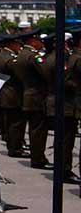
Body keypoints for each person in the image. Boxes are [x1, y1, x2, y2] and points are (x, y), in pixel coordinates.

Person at [41, 31, 80, 183]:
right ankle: (64, 170)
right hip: (63, 103)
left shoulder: (50, 58)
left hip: (56, 101)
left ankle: (62, 168)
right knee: (65, 140)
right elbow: (64, 81)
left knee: (62, 139)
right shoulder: (59, 60)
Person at [12, 25, 51, 168]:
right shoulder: (33, 56)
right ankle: (38, 159)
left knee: (34, 129)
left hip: (28, 93)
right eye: (38, 40)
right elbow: (45, 73)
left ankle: (37, 157)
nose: (40, 43)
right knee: (38, 130)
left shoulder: (21, 55)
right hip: (37, 96)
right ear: (33, 41)